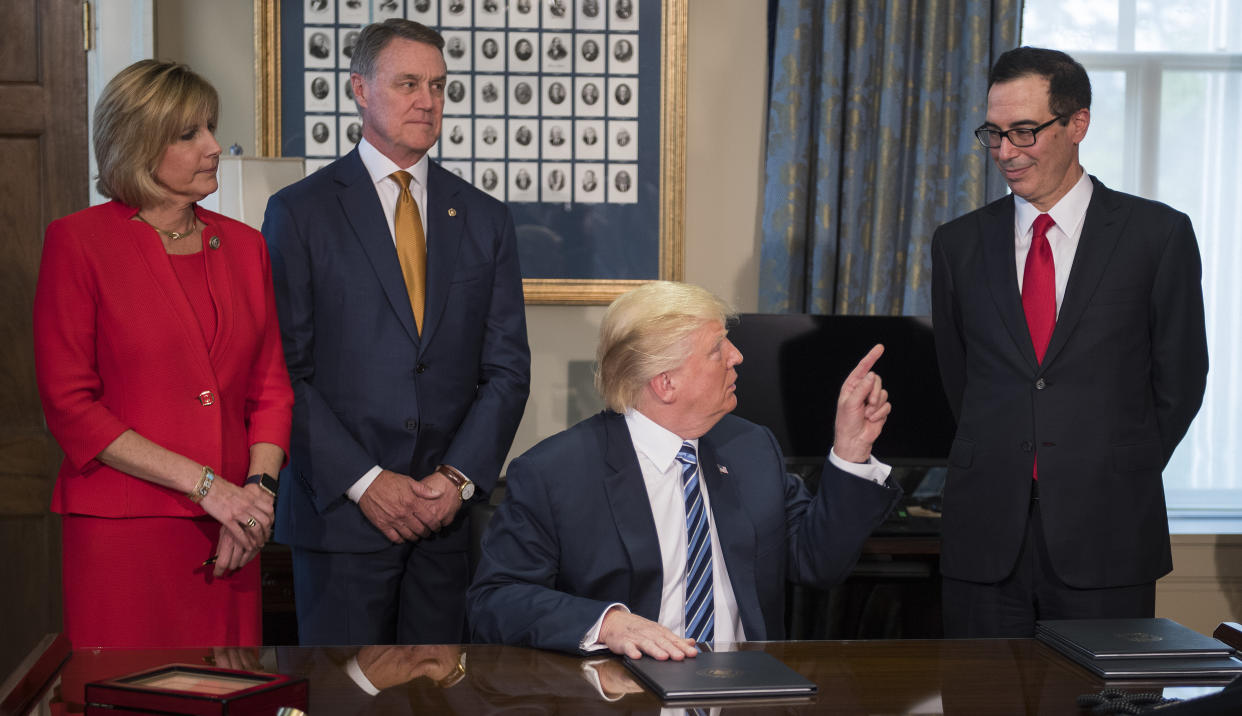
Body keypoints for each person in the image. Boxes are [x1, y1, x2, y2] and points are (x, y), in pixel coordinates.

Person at [263, 19, 531, 646]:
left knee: (440, 701)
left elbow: (507, 370)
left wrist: (457, 480)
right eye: (408, 83)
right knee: (342, 700)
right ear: (359, 88)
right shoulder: (299, 213)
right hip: (341, 518)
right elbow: (283, 372)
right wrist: (367, 481)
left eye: (438, 85)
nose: (427, 101)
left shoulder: (485, 219)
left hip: (444, 525)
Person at [931, 46, 1208, 638]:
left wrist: (1111, 467)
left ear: (1077, 124)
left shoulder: (1157, 235)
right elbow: (960, 380)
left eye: (1024, 132)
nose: (1005, 152)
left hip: (1108, 530)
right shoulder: (957, 245)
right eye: (994, 133)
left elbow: (1180, 380)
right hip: (984, 538)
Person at [468, 281, 900, 656]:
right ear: (665, 382)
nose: (737, 356)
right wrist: (609, 624)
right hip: (620, 692)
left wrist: (850, 451)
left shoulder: (751, 448)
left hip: (745, 693)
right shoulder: (555, 473)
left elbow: (817, 563)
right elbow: (496, 600)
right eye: (718, 348)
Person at [32, 59, 292, 648]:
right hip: (126, 534)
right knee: (124, 694)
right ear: (138, 146)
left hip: (233, 532)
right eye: (189, 133)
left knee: (227, 697)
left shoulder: (247, 247)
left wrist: (255, 496)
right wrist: (210, 487)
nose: (213, 145)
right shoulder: (77, 243)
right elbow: (72, 407)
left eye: (209, 127)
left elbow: (271, 389)